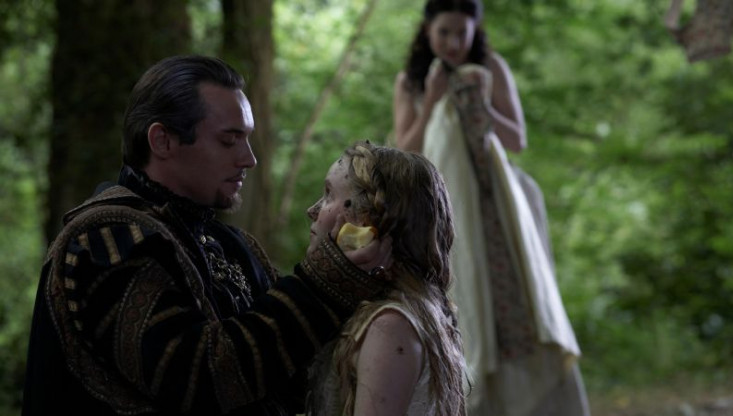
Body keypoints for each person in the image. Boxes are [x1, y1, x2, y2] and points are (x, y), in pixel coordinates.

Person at [22, 55, 392, 416]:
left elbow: (289, 374)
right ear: (162, 141)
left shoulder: (233, 245)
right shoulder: (106, 242)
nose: (249, 159)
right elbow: (196, 378)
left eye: (247, 139)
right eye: (229, 140)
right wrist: (322, 285)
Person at [392, 1, 591, 415]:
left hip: (498, 208)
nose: (453, 43)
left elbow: (517, 139)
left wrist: (483, 106)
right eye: (444, 32)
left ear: (475, 31)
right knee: (459, 294)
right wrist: (432, 100)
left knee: (515, 301)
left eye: (461, 33)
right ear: (427, 30)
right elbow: (405, 153)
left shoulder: (490, 68)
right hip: (445, 211)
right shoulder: (411, 81)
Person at [303, 141, 466, 416]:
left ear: (366, 223)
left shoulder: (390, 326)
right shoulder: (393, 313)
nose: (313, 209)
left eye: (329, 194)